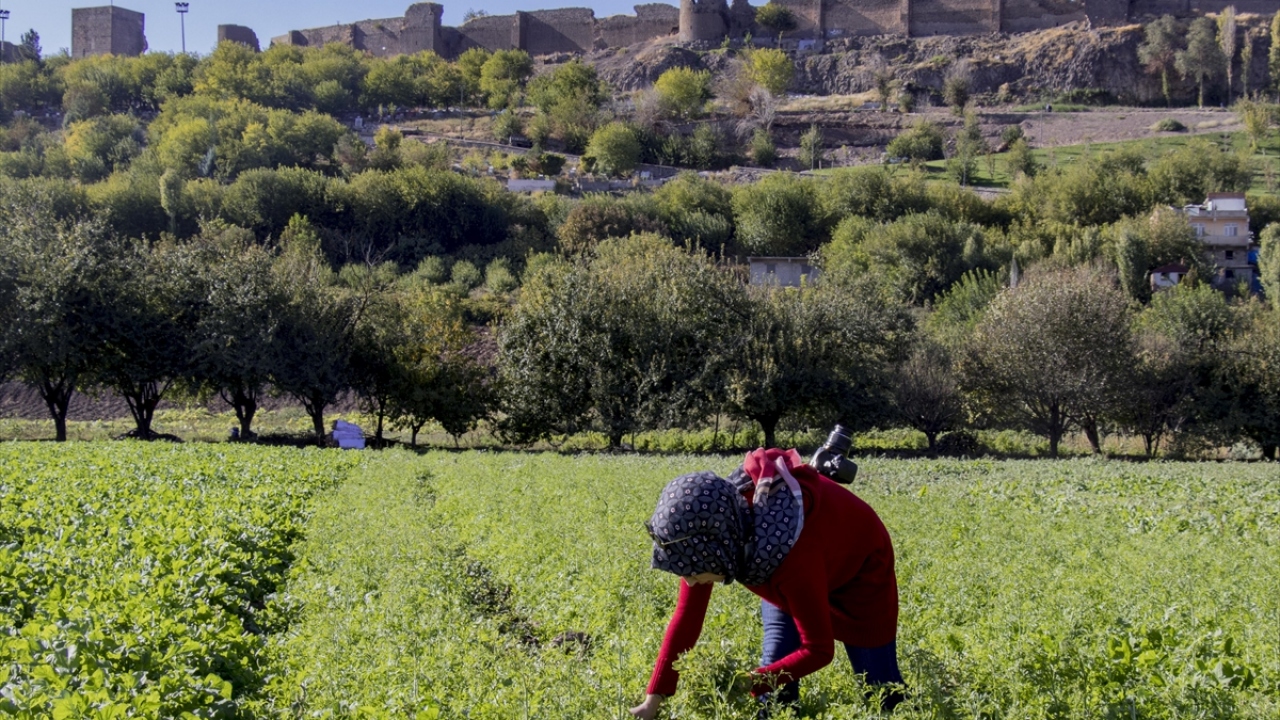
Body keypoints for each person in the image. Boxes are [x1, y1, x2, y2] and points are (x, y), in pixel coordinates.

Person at [631, 448, 903, 719]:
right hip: (792, 563)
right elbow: (686, 619)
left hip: (859, 570)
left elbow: (818, 649)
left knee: (881, 691)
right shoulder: (715, 530)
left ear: (716, 553)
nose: (689, 580)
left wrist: (746, 683)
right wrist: (651, 701)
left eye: (691, 570)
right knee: (774, 687)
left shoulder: (790, 561)